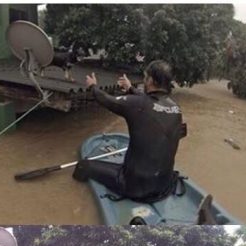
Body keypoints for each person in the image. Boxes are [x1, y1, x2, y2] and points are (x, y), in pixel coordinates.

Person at [73, 60, 186, 203]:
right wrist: (130, 88)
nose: (145, 81)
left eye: (145, 77)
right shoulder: (176, 109)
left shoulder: (138, 104)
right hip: (164, 186)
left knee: (83, 166)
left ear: (151, 80)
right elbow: (149, 103)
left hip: (134, 186)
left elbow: (107, 100)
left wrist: (93, 86)